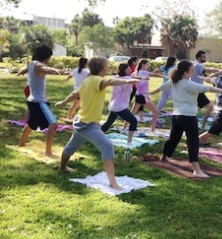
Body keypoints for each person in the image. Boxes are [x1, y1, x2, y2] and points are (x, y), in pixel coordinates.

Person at [55, 57, 139, 191]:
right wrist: (127, 80)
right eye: (106, 65)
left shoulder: (87, 80)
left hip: (81, 121)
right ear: (102, 68)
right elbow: (110, 81)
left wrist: (64, 102)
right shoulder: (97, 80)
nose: (108, 67)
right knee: (107, 146)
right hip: (88, 125)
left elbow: (75, 93)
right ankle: (112, 182)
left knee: (71, 146)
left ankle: (62, 167)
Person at [149, 60, 222, 177]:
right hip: (188, 116)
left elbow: (162, 87)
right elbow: (208, 89)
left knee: (173, 138)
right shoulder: (189, 84)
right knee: (193, 141)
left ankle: (163, 157)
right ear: (185, 72)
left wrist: (151, 92)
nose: (193, 72)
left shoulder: (174, 81)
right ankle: (196, 170)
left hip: (176, 116)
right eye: (192, 70)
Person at [17, 45, 61, 157]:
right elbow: (44, 69)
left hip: (32, 100)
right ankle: (48, 152)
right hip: (39, 102)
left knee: (32, 124)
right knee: (53, 124)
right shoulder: (38, 65)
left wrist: (22, 71)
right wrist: (54, 70)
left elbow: (29, 69)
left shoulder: (32, 63)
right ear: (47, 57)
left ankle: (21, 144)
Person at [101, 63, 138, 144]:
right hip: (119, 107)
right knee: (133, 121)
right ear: (123, 70)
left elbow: (132, 78)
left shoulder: (116, 78)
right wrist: (140, 79)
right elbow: (131, 79)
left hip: (114, 105)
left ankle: (97, 136)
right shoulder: (126, 78)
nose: (130, 70)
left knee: (108, 123)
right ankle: (129, 141)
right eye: (128, 69)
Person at [124, 59, 164, 132]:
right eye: (147, 65)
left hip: (138, 95)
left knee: (132, 113)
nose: (148, 66)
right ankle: (152, 130)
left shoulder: (135, 73)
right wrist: (165, 77)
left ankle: (124, 127)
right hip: (143, 96)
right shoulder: (144, 73)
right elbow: (154, 75)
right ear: (142, 65)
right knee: (156, 112)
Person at [191, 50, 220, 129]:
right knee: (210, 106)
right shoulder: (199, 65)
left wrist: (213, 83)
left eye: (205, 56)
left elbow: (205, 76)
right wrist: (219, 70)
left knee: (194, 109)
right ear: (199, 57)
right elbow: (209, 70)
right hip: (198, 90)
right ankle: (202, 125)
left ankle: (191, 125)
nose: (205, 58)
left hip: (194, 89)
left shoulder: (195, 64)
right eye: (203, 57)